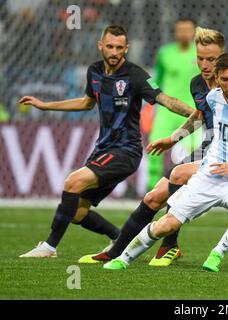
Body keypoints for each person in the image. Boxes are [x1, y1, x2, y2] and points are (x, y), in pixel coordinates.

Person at [78, 27, 228, 266]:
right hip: (210, 148)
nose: (205, 65)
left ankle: (168, 245)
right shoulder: (198, 85)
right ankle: (119, 251)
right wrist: (174, 138)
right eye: (200, 58)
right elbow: (200, 115)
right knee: (154, 197)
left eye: (212, 59)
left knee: (178, 173)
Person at [18, 25, 194, 258]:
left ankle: (49, 247)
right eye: (109, 46)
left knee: (73, 182)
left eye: (119, 48)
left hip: (126, 150)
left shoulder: (135, 75)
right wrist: (44, 105)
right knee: (78, 212)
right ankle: (117, 237)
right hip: (103, 149)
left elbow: (165, 99)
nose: (114, 52)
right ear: (100, 46)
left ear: (126, 48)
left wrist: (195, 113)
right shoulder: (94, 71)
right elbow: (86, 103)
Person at [147, 18, 201, 190]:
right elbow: (157, 81)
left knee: (198, 151)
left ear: (194, 32)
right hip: (167, 110)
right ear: (175, 32)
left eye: (188, 29)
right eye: (180, 30)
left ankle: (196, 192)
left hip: (193, 110)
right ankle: (152, 191)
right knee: (154, 146)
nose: (184, 33)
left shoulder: (201, 54)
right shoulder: (165, 53)